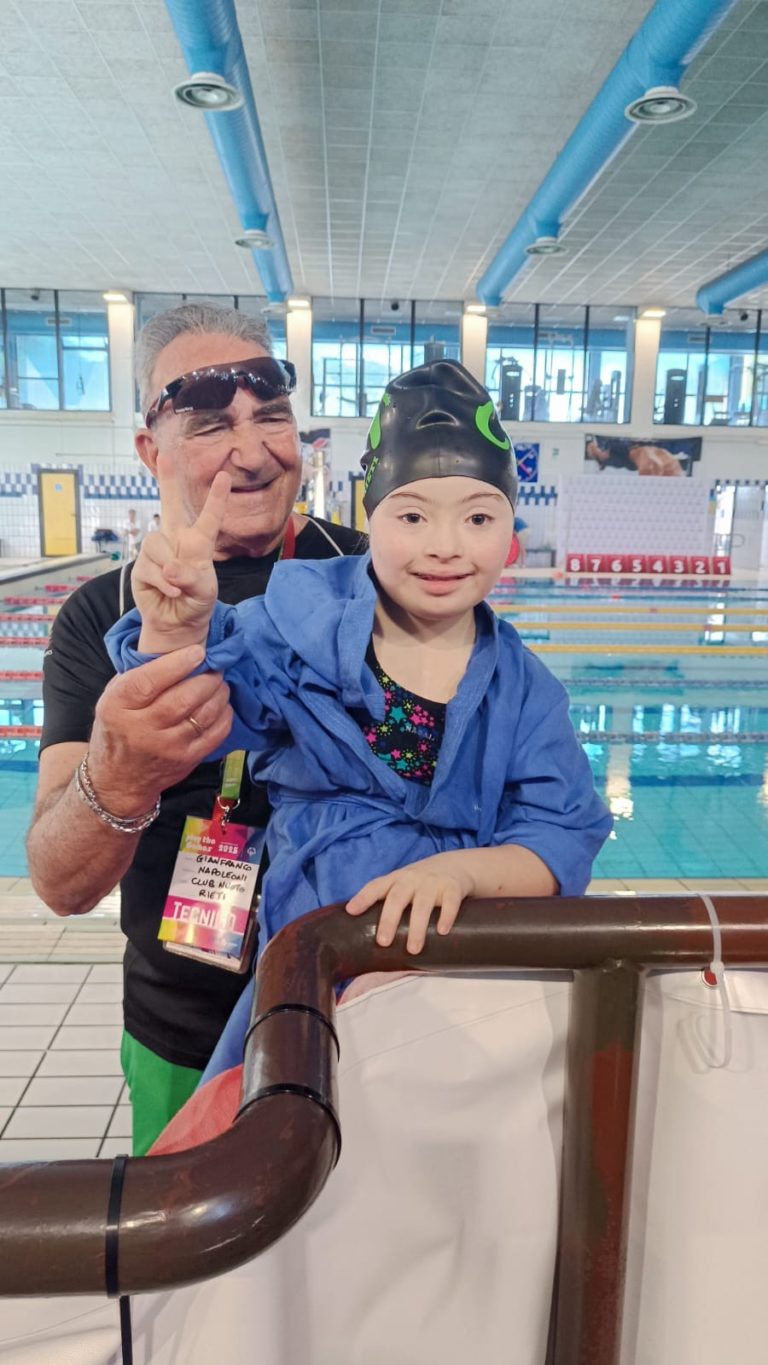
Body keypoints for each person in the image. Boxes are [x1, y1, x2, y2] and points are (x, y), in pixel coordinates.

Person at [107, 361, 611, 1010]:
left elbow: (562, 833)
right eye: (413, 517)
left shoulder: (524, 689)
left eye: (479, 519)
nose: (446, 546)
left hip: (463, 968)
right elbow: (191, 724)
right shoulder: (300, 624)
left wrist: (462, 871)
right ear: (372, 519)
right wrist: (176, 629)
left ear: (509, 534)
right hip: (322, 960)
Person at [26, 303, 367, 1156]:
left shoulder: (371, 578)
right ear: (153, 451)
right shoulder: (100, 614)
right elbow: (60, 882)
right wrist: (120, 775)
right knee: (188, 1242)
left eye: (272, 417)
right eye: (212, 425)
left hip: (362, 1008)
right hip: (182, 1031)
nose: (253, 452)